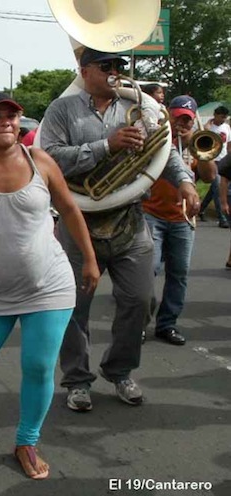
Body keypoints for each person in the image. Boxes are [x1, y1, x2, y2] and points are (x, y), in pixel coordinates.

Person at [39, 48, 199, 412]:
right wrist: (105, 146)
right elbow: (50, 158)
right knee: (74, 306)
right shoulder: (61, 110)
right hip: (80, 220)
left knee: (140, 300)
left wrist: (185, 182)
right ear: (84, 71)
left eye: (120, 66)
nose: (116, 72)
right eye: (106, 66)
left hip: (130, 217)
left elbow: (163, 151)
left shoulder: (138, 107)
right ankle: (77, 380)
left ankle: (119, 369)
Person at [0, 93, 99, 480]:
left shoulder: (40, 161)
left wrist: (90, 258)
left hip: (48, 284)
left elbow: (69, 209)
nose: (5, 121)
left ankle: (27, 441)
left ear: (20, 123)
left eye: (11, 116)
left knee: (38, 365)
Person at [142, 96, 216, 346]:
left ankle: (167, 324)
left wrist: (199, 149)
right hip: (151, 213)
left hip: (183, 218)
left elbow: (209, 177)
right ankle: (139, 323)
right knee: (148, 270)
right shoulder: (157, 140)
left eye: (187, 120)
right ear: (168, 117)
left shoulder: (195, 144)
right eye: (178, 118)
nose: (182, 124)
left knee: (179, 273)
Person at [200, 105, 231, 227]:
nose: (223, 120)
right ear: (215, 115)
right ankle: (222, 218)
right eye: (221, 117)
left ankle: (201, 209)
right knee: (217, 188)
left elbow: (229, 144)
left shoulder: (227, 127)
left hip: (223, 160)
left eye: (225, 117)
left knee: (214, 188)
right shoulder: (208, 127)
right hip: (212, 161)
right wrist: (206, 129)